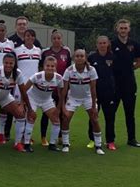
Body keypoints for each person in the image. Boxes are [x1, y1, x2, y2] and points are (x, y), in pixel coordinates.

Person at [60, 49, 105, 155]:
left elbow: (93, 89)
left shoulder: (91, 70)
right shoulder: (69, 70)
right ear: (73, 58)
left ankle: (98, 145)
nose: (79, 58)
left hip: (87, 97)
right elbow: (64, 90)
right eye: (77, 56)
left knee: (94, 119)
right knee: (66, 118)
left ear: (85, 58)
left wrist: (94, 106)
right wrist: (62, 107)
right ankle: (66, 144)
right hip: (73, 98)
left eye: (81, 56)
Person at [23, 56, 64, 152]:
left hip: (47, 100)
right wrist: (26, 106)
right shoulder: (37, 76)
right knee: (31, 118)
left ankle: (52, 144)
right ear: (43, 66)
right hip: (33, 98)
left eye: (52, 66)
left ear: (55, 67)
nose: (50, 68)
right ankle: (26, 144)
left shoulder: (59, 78)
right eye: (48, 66)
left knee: (56, 119)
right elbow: (24, 90)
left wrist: (58, 108)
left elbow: (61, 94)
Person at [111, 19, 140, 147]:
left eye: (125, 28)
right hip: (114, 85)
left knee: (130, 114)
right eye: (121, 28)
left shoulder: (134, 44)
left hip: (129, 84)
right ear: (117, 29)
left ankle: (132, 139)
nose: (123, 30)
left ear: (129, 29)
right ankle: (110, 139)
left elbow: (139, 60)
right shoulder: (111, 44)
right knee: (111, 113)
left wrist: (132, 68)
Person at [39, 30, 71, 146]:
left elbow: (68, 70)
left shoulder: (66, 51)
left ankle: (60, 136)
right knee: (46, 112)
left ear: (61, 39)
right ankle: (43, 137)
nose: (57, 40)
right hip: (48, 86)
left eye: (59, 38)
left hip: (62, 86)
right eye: (54, 38)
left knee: (61, 110)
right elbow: (41, 68)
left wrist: (67, 87)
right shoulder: (45, 52)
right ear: (51, 40)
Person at [87, 36, 116, 150]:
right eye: (100, 43)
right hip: (95, 92)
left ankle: (110, 141)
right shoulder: (92, 57)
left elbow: (117, 74)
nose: (102, 45)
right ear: (97, 44)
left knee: (110, 117)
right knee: (93, 116)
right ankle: (92, 139)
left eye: (104, 43)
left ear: (108, 44)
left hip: (109, 92)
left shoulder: (113, 57)